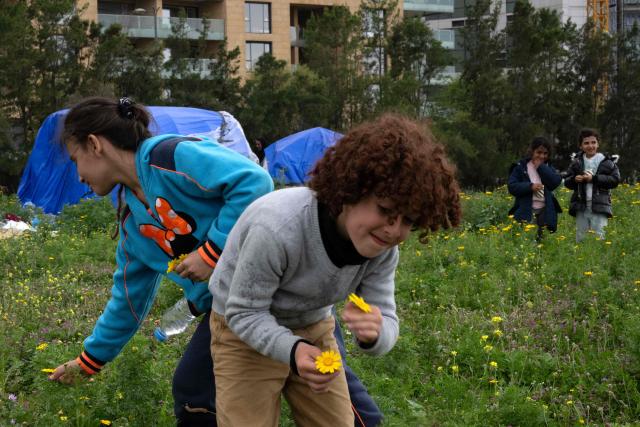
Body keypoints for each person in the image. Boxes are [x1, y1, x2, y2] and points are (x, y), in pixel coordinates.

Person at [48, 97, 384, 427]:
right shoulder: (133, 225)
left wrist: (211, 252)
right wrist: (89, 362)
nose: (78, 176)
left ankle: (363, 420)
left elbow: (253, 182)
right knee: (194, 391)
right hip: (228, 309)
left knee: (321, 377)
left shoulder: (171, 157)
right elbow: (128, 301)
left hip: (282, 287)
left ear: (94, 145)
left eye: (75, 159)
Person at [208, 114, 461, 427]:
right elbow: (244, 313)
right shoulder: (278, 227)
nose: (393, 230)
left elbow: (388, 319)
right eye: (385, 210)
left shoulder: (382, 249)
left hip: (312, 324)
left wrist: (376, 333)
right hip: (242, 330)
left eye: (408, 220)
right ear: (350, 191)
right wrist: (293, 350)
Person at [564, 128, 620, 242]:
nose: (590, 146)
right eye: (586, 143)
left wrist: (594, 178)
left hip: (600, 205)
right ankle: (581, 258)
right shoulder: (577, 162)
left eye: (593, 142)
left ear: (598, 144)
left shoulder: (607, 162)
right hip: (581, 206)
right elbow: (567, 182)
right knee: (580, 237)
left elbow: (615, 180)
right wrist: (575, 179)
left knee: (600, 237)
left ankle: (601, 260)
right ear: (581, 146)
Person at [507, 136, 563, 241]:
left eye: (545, 153)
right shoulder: (520, 167)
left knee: (542, 242)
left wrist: (540, 167)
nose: (542, 156)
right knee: (525, 242)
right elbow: (512, 186)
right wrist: (530, 186)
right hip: (526, 209)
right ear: (532, 151)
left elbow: (555, 182)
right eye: (539, 152)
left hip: (544, 211)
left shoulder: (548, 167)